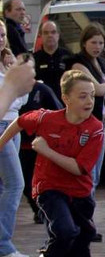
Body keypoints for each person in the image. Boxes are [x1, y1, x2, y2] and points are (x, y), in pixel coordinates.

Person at [0, 70, 104, 257]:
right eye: (82, 96)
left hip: (79, 195)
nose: (89, 101)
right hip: (49, 189)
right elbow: (21, 121)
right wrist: (1, 142)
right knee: (65, 231)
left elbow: (79, 168)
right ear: (65, 98)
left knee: (80, 256)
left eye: (91, 95)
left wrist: (45, 150)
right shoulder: (48, 119)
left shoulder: (95, 129)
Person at [65, 23, 105, 191]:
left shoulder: (101, 63)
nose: (97, 47)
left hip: (99, 124)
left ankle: (87, 210)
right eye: (93, 42)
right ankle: (83, 212)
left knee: (95, 175)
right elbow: (100, 90)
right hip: (84, 124)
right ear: (84, 43)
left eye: (101, 43)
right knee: (88, 173)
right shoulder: (78, 64)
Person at [16, 53, 63, 227]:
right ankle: (37, 210)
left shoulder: (42, 90)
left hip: (39, 146)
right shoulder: (10, 91)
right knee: (25, 183)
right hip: (19, 145)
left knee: (42, 182)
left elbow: (58, 114)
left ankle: (43, 210)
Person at [0, 49, 31, 257]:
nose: (1, 38)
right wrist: (11, 86)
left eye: (2, 34)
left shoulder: (8, 64)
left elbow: (23, 99)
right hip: (2, 126)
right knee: (15, 183)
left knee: (4, 186)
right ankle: (3, 245)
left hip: (14, 124)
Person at [33, 20, 71, 102]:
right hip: (42, 104)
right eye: (46, 33)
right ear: (41, 35)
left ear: (58, 35)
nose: (50, 35)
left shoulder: (68, 56)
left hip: (64, 103)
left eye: (53, 32)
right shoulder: (34, 59)